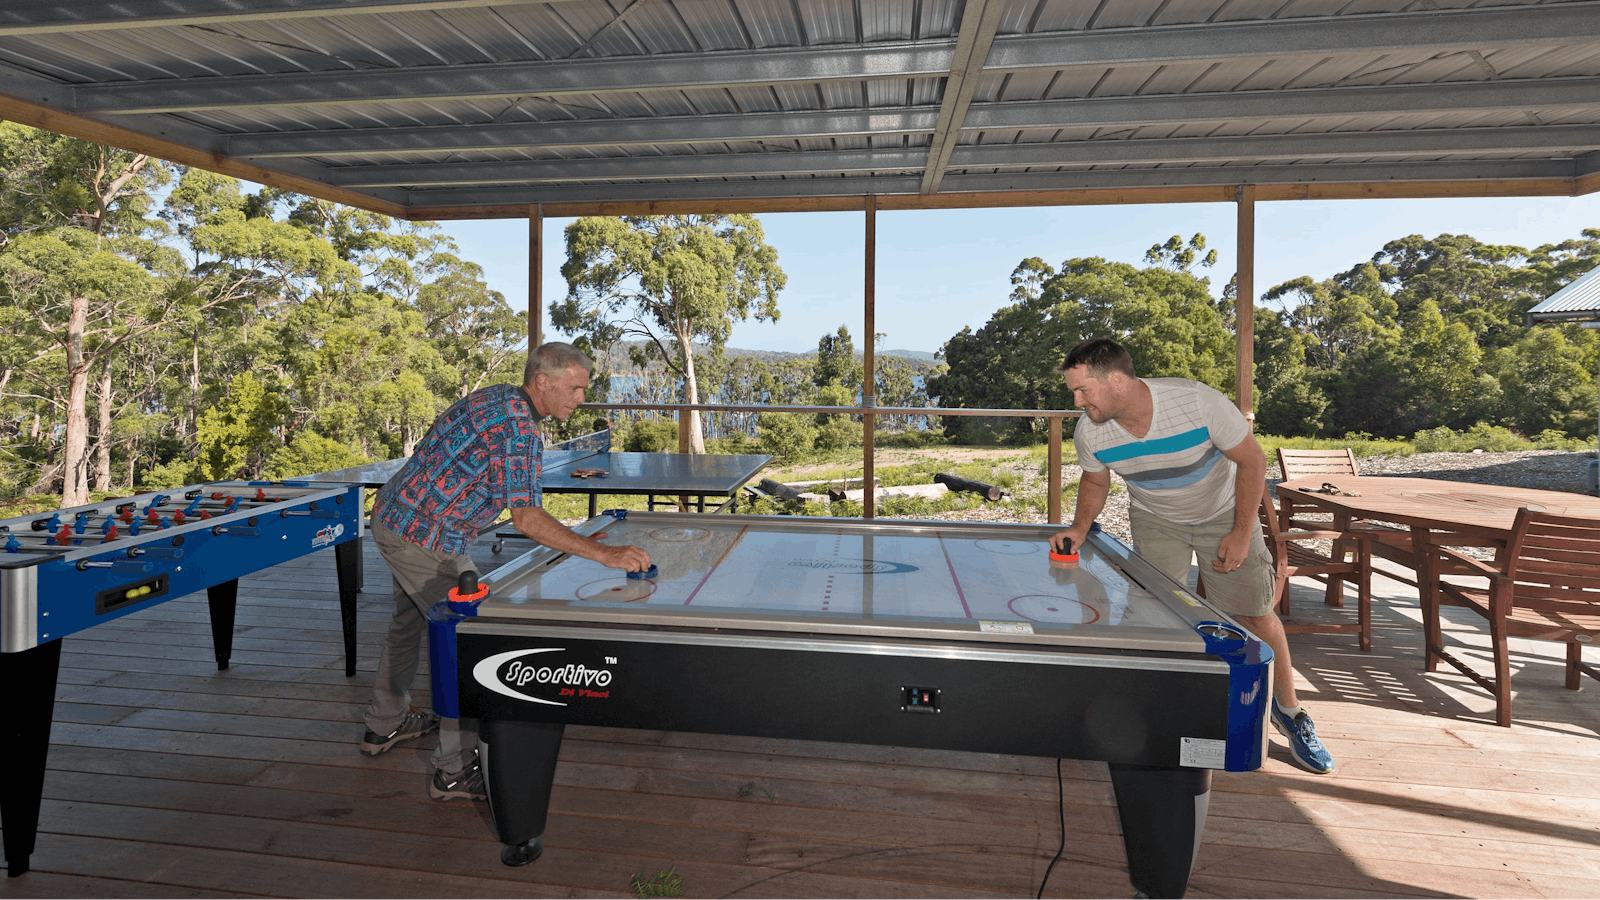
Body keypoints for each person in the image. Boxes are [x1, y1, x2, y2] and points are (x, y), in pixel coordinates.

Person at [357, 342, 652, 800]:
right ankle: (452, 769)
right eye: (574, 388)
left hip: (397, 512)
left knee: (409, 622)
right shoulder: (520, 431)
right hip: (425, 535)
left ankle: (385, 722)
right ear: (543, 382)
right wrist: (605, 556)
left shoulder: (499, 395)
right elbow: (527, 519)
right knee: (464, 642)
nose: (580, 398)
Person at [1048, 338, 1334, 775]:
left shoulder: (1197, 402)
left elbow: (1253, 462)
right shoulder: (1091, 430)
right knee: (1156, 613)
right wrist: (1080, 527)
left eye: (1083, 390)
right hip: (1156, 518)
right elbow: (1095, 482)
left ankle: (1290, 713)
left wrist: (1241, 532)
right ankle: (1162, 707)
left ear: (1119, 381)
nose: (1077, 400)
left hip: (1223, 512)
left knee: (1254, 617)